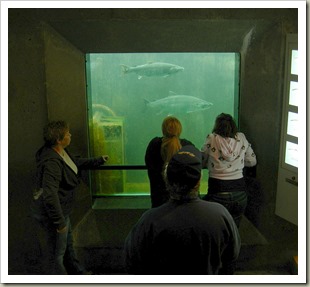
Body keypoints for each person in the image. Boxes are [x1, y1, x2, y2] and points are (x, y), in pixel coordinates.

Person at [124, 145, 240, 275]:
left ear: (166, 179)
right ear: (198, 181)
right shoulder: (220, 215)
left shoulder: (149, 221)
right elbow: (231, 256)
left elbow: (132, 262)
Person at [31, 120, 109, 275]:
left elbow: (74, 163)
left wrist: (98, 160)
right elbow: (50, 194)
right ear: (59, 140)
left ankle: (78, 274)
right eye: (67, 134)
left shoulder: (60, 151)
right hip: (54, 216)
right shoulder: (52, 162)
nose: (70, 135)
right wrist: (59, 223)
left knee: (68, 247)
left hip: (62, 211)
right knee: (56, 256)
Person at [201, 113, 257, 227]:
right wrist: (238, 163)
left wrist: (213, 165)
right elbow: (252, 161)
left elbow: (202, 161)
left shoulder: (212, 138)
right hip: (240, 193)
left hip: (217, 191)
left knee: (216, 229)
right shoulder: (241, 138)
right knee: (233, 230)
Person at [145, 116, 194, 208]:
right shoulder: (187, 146)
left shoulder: (154, 144)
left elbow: (149, 166)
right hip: (182, 203)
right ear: (180, 130)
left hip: (158, 201)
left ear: (163, 129)